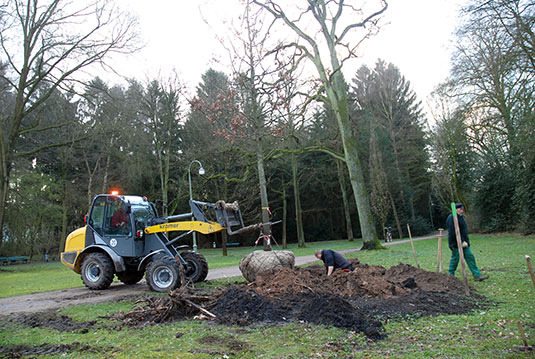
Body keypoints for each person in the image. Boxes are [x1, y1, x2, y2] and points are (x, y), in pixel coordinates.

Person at [446, 203, 489, 281]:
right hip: (455, 243)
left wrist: (466, 242)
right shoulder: (451, 217)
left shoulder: (460, 217)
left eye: (462, 209)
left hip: (464, 243)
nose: (462, 211)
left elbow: (463, 230)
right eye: (460, 209)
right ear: (455, 209)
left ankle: (477, 275)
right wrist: (461, 241)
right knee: (455, 259)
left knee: (470, 257)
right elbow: (453, 232)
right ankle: (450, 275)